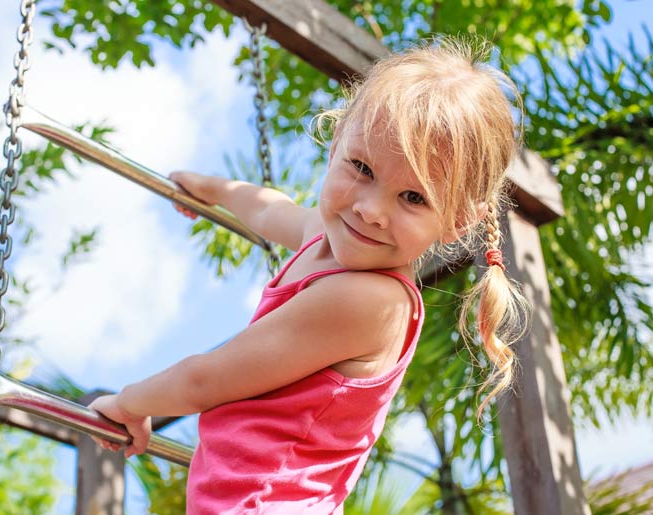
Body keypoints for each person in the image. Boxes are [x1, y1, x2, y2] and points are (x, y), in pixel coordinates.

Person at [89, 36, 528, 514]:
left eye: (414, 198)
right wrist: (214, 189)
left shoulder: (370, 302)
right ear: (337, 139)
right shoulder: (325, 233)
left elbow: (205, 380)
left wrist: (130, 404)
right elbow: (270, 210)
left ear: (459, 220)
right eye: (362, 168)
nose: (370, 209)